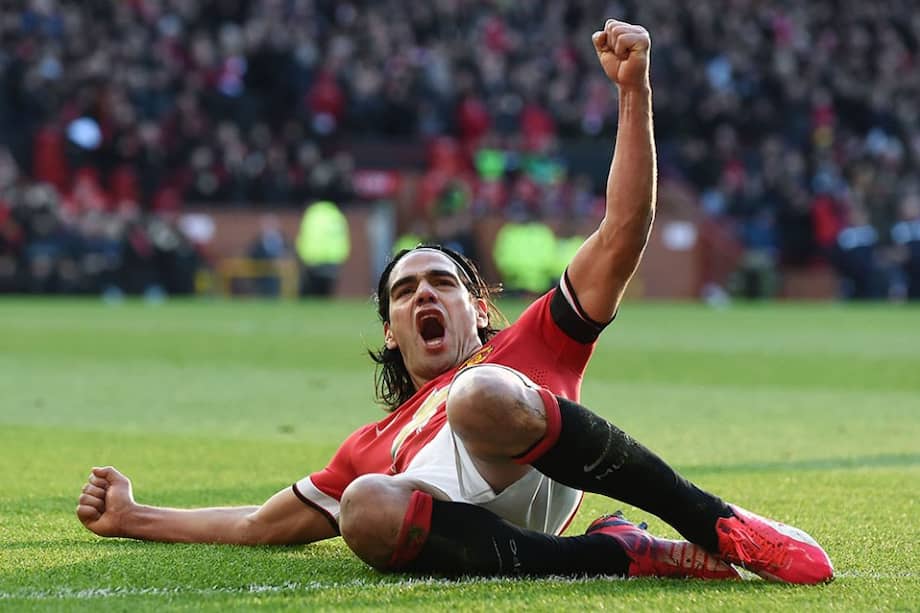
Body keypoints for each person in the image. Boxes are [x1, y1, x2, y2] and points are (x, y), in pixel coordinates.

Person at [76, 20, 833, 584]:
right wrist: (134, 516)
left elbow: (623, 229)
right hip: (471, 529)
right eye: (405, 291)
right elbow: (255, 522)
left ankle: (714, 521)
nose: (423, 294)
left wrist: (633, 95)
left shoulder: (532, 342)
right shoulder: (370, 445)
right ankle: (614, 555)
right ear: (392, 331)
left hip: (525, 440)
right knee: (366, 507)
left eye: (441, 281)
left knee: (477, 395)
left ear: (477, 307)